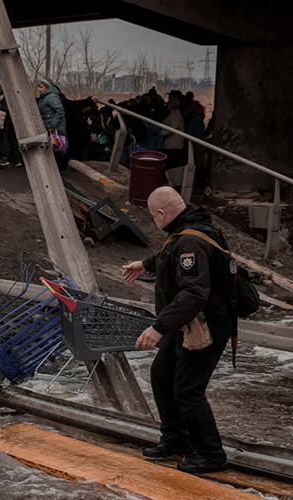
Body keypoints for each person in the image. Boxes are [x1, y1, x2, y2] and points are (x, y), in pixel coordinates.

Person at [122, 186, 236, 474]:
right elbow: (171, 253)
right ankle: (176, 439)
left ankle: (211, 455)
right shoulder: (191, 226)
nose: (154, 221)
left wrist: (158, 327)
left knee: (187, 389)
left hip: (205, 323)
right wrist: (145, 264)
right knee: (162, 374)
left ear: (161, 213)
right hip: (186, 319)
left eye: (152, 216)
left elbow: (194, 292)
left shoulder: (190, 242)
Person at [36, 76, 68, 170]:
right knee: (54, 148)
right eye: (39, 87)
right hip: (50, 126)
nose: (39, 89)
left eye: (41, 87)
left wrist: (53, 124)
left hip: (55, 127)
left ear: (47, 87)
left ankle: (56, 170)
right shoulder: (44, 97)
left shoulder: (51, 96)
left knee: (56, 148)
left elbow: (60, 111)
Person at [160, 96, 186, 169]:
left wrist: (161, 133)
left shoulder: (174, 114)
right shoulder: (174, 113)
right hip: (173, 143)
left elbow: (172, 127)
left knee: (171, 163)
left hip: (173, 144)